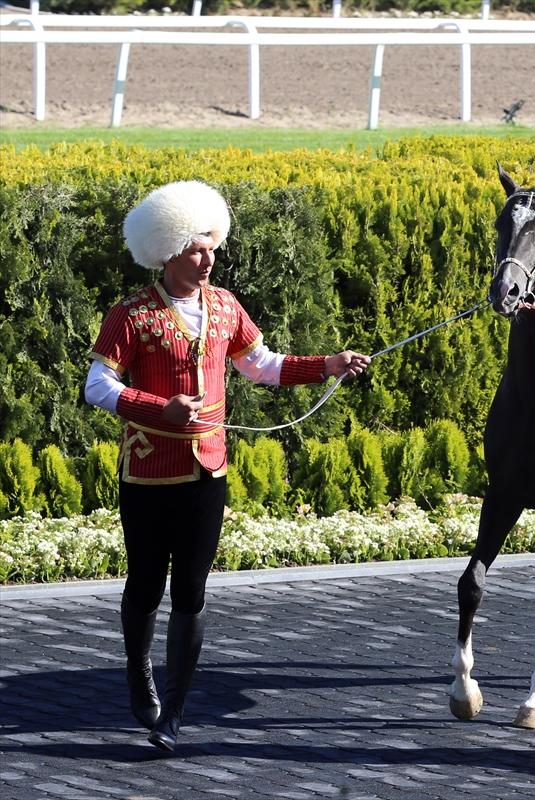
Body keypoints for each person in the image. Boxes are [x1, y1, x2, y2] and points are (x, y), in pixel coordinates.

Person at [84, 181, 370, 752]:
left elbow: (261, 365)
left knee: (191, 589)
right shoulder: (131, 315)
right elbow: (98, 386)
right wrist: (157, 408)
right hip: (148, 472)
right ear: (168, 252)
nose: (208, 259)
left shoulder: (225, 306)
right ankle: (139, 672)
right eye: (196, 250)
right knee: (145, 583)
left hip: (208, 470)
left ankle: (173, 715)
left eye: (212, 247)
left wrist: (327, 364)